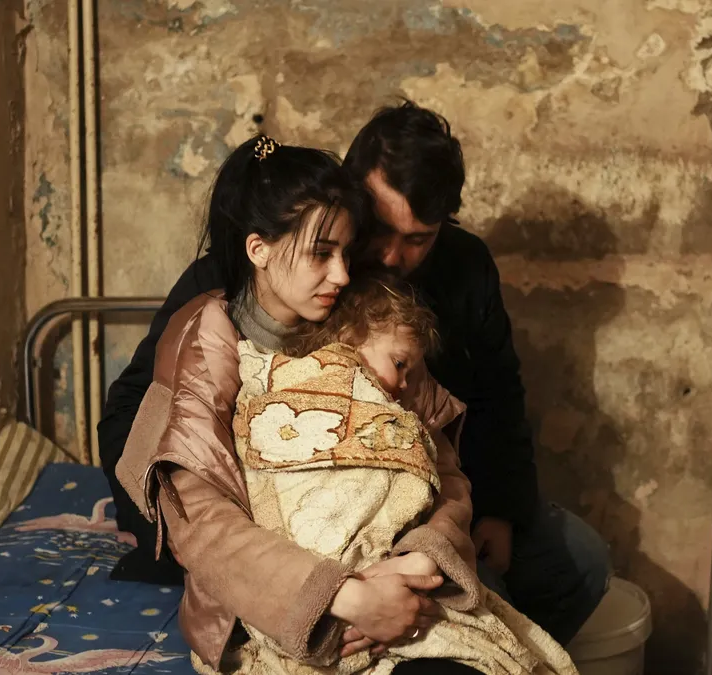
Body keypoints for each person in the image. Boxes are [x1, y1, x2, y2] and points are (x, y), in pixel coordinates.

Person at [100, 102, 611, 645]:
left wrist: (493, 514)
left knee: (577, 563)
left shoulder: (463, 268)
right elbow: (141, 416)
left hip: (422, 494)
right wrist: (189, 540)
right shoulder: (232, 291)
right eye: (380, 230)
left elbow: (488, 402)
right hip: (279, 517)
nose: (389, 255)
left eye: (418, 239)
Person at [113, 135, 485, 675]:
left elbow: (443, 468)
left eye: (346, 252)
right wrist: (346, 597)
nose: (342, 274)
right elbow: (200, 522)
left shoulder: (371, 320)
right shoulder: (207, 337)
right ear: (258, 249)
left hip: (399, 584)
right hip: (278, 608)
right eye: (320, 253)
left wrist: (419, 563)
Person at [224, 272, 574, 675]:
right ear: (349, 337)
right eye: (399, 364)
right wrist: (347, 594)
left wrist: (421, 559)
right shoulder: (285, 380)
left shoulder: (404, 412)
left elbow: (439, 483)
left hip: (398, 571)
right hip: (311, 583)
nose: (406, 385)